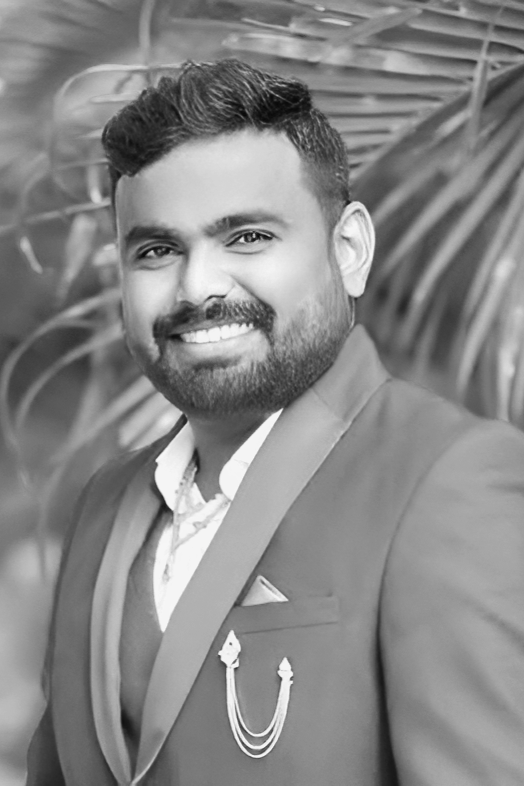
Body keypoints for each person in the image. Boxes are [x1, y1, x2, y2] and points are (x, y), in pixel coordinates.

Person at [27, 58, 524, 786]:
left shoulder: (447, 481)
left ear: (348, 250)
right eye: (158, 250)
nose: (198, 287)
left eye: (248, 237)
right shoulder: (105, 506)